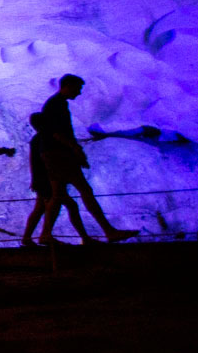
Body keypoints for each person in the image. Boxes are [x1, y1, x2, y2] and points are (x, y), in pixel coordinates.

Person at [38, 75, 137, 242]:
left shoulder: (55, 103)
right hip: (59, 154)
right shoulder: (57, 104)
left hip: (52, 153)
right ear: (67, 86)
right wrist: (75, 149)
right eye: (77, 88)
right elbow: (57, 133)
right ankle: (108, 231)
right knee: (84, 190)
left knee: (58, 195)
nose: (79, 92)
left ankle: (46, 234)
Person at [21, 109, 87, 246]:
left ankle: (28, 238)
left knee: (40, 208)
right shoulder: (44, 139)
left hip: (42, 178)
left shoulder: (36, 140)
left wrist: (34, 179)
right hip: (48, 178)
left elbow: (33, 160)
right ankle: (46, 235)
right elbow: (40, 160)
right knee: (67, 205)